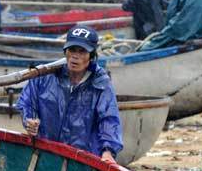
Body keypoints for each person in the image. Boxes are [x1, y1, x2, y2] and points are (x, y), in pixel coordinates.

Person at [16, 26, 123, 163]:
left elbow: (109, 119)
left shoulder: (100, 83)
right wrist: (30, 120)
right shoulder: (45, 76)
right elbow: (27, 103)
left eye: (82, 51)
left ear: (91, 55)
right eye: (72, 50)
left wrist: (108, 152)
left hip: (85, 160)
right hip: (47, 154)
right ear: (65, 51)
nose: (75, 56)